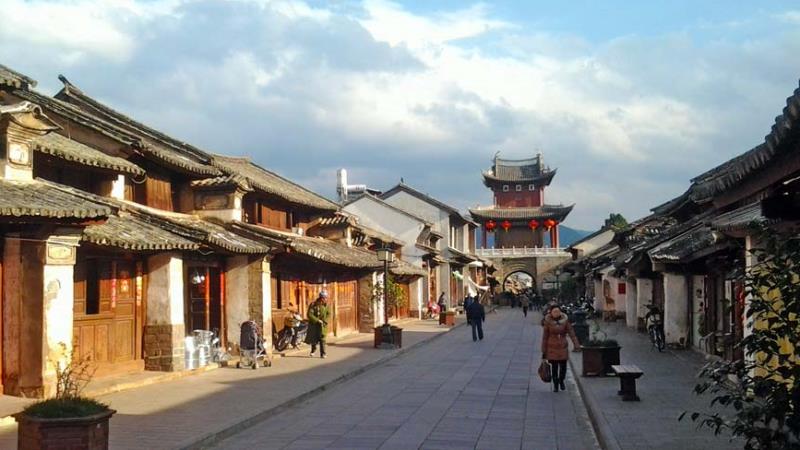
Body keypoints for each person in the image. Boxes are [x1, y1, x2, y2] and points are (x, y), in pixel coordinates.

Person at [541, 306, 580, 392]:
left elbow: (571, 333)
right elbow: (545, 337)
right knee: (554, 367)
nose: (556, 313)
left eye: (558, 311)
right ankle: (555, 384)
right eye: (554, 312)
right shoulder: (548, 322)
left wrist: (576, 344)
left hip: (562, 346)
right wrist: (544, 350)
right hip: (552, 347)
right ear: (551, 313)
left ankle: (561, 380)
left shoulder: (565, 321)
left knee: (563, 367)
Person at [305, 290, 331, 359]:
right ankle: (313, 350)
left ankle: (323, 353)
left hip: (323, 325)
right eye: (324, 298)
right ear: (320, 297)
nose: (325, 299)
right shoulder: (313, 304)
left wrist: (325, 320)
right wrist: (317, 320)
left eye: (326, 297)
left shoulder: (327, 305)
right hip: (314, 325)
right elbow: (309, 314)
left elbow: (329, 314)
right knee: (314, 339)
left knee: (322, 339)